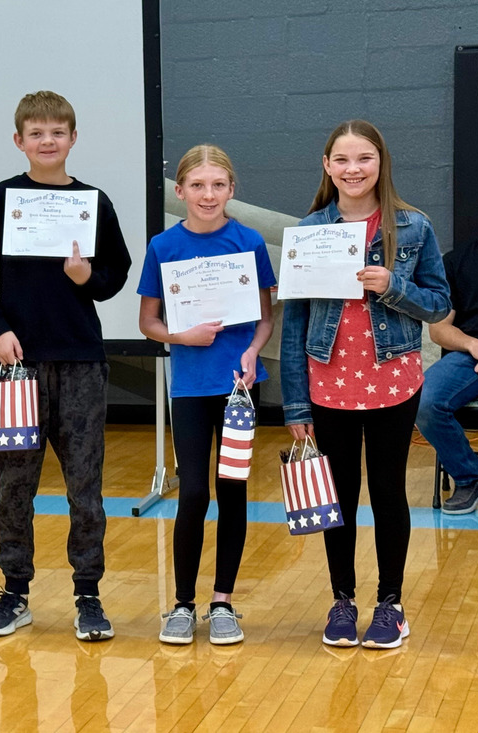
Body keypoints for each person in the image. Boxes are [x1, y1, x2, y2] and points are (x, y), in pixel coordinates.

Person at [0, 91, 131, 641]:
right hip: (18, 367)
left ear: (73, 139)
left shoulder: (95, 202)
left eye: (58, 133)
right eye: (36, 134)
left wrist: (88, 278)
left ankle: (88, 594)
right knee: (14, 485)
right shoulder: (2, 198)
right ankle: (15, 593)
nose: (47, 141)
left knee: (86, 487)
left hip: (80, 361)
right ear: (20, 141)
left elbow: (115, 274)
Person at [281, 120, 451, 649]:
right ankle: (342, 600)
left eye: (364, 159)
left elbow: (440, 304)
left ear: (381, 163)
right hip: (325, 385)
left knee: (387, 491)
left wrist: (393, 286)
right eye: (342, 160)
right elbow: (294, 326)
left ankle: (390, 605)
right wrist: (294, 405)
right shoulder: (310, 230)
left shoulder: (413, 227)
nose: (353, 169)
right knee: (339, 497)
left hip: (394, 381)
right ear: (327, 167)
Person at [138, 144, 275, 645]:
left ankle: (223, 603)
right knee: (193, 491)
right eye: (197, 185)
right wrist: (181, 337)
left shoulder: (250, 241)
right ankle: (181, 603)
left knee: (232, 488)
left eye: (218, 185)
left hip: (240, 387)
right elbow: (148, 321)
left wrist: (253, 351)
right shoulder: (163, 246)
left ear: (231, 190)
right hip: (191, 387)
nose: (208, 194)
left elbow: (265, 316)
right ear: (180, 192)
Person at [416, 233, 478, 514]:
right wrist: (475, 346)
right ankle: (470, 478)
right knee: (424, 401)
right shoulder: (457, 260)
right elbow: (438, 329)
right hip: (470, 357)